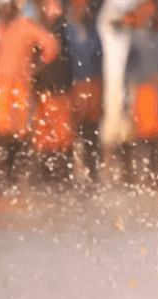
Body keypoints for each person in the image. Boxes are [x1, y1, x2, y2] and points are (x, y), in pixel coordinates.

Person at [0, 0, 60, 189]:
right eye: (1, 6)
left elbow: (51, 45)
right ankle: (1, 180)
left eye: (8, 6)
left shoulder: (26, 26)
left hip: (20, 89)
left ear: (14, 7)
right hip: (0, 91)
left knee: (21, 135)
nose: (5, 10)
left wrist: (37, 67)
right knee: (0, 135)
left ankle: (19, 180)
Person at [122, 0, 158, 185]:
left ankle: (154, 174)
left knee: (157, 137)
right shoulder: (135, 38)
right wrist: (127, 93)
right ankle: (132, 173)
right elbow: (128, 69)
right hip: (140, 90)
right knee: (138, 136)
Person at [34, 0, 76, 185]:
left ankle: (63, 181)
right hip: (44, 94)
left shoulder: (64, 35)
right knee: (44, 143)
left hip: (60, 94)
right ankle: (47, 181)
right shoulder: (38, 35)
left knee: (63, 142)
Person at [66, 0, 104, 181]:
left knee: (92, 131)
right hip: (75, 86)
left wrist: (101, 92)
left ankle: (93, 171)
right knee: (74, 130)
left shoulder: (94, 31)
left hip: (93, 85)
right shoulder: (69, 32)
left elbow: (101, 61)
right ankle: (71, 171)